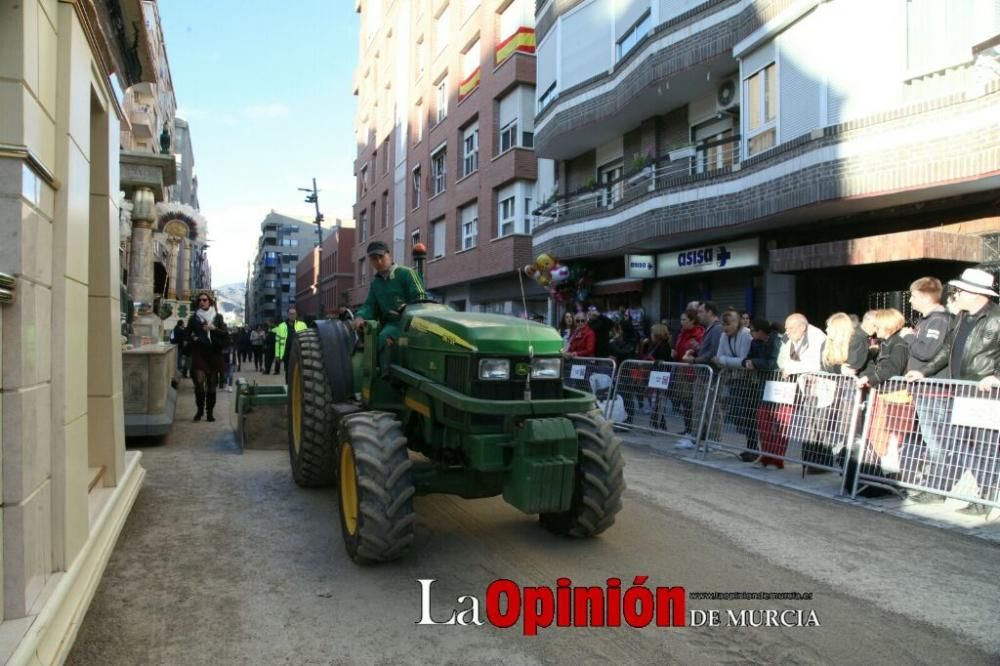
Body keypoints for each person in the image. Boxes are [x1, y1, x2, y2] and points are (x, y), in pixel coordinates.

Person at [909, 268, 1000, 515]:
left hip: (985, 394)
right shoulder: (961, 317)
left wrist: (996, 376)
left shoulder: (996, 317)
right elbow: (946, 349)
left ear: (975, 293)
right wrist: (924, 372)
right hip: (960, 391)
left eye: (960, 290)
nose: (956, 294)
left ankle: (986, 498)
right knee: (960, 445)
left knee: (985, 447)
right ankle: (964, 492)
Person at [354, 240, 428, 375]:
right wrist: (360, 316)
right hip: (391, 324)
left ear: (389, 255)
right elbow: (370, 305)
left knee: (384, 337)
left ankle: (386, 377)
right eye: (374, 259)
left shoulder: (407, 273)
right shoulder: (376, 283)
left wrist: (407, 309)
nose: (379, 262)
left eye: (381, 257)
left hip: (411, 323)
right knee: (378, 337)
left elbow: (421, 297)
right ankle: (381, 375)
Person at [679, 301, 724, 448]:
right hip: (703, 373)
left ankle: (714, 441)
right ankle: (696, 437)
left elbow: (713, 352)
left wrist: (695, 359)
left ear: (710, 312)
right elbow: (708, 350)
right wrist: (697, 349)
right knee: (699, 407)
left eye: (700, 312)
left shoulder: (716, 329)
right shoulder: (710, 329)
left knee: (712, 408)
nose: (698, 315)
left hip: (710, 374)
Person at [186, 292, 229, 422]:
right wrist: (193, 337)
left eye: (204, 300)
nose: (202, 302)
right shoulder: (194, 318)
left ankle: (209, 413)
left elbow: (225, 334)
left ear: (210, 302)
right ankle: (199, 410)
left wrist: (213, 328)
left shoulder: (218, 317)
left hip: (214, 352)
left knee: (211, 384)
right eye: (199, 300)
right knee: (199, 381)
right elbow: (187, 334)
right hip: (199, 351)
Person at [671, 310, 704, 437]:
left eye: (684, 319)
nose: (682, 322)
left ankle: (695, 430)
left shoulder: (698, 333)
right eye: (681, 319)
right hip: (681, 368)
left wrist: (692, 350)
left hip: (692, 370)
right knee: (684, 400)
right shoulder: (681, 333)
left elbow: (699, 350)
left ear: (692, 320)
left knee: (692, 401)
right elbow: (679, 348)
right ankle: (688, 427)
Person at [273, 306, 308, 376]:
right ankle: (288, 386)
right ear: (288, 315)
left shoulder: (302, 325)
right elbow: (277, 342)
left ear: (296, 315)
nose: (292, 315)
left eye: (294, 314)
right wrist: (277, 355)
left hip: (298, 352)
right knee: (288, 372)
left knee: (298, 372)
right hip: (286, 353)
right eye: (290, 314)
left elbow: (307, 340)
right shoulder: (281, 326)